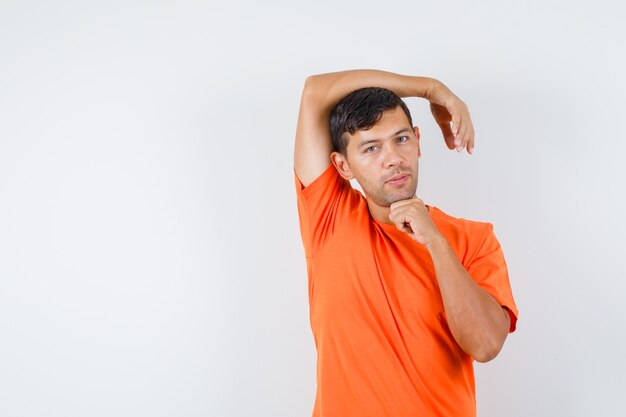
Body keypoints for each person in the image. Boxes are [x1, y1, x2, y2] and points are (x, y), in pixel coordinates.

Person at [293, 69, 519, 417]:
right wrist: (431, 89)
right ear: (342, 166)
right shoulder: (329, 217)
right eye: (371, 148)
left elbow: (486, 344)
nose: (393, 159)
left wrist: (435, 242)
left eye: (401, 139)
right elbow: (314, 91)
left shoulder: (475, 238)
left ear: (417, 140)